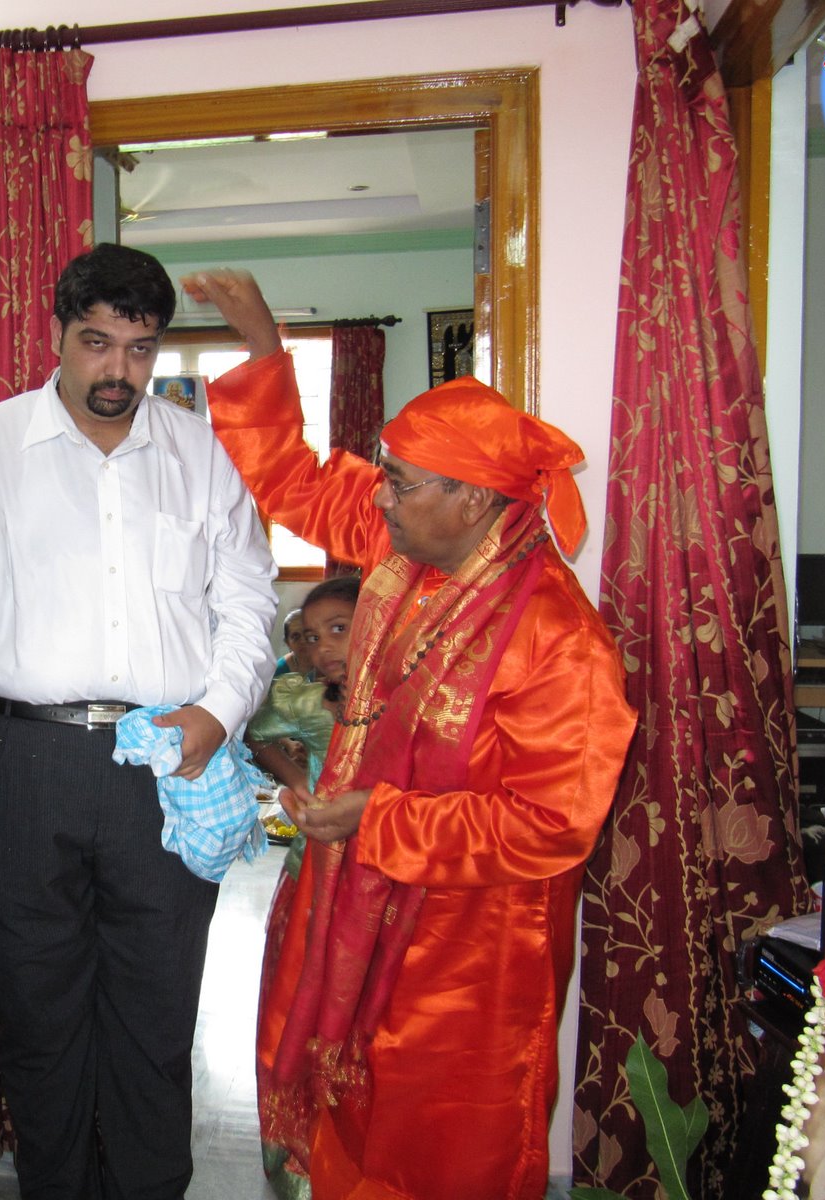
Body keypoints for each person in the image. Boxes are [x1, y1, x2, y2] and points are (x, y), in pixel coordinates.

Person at [186, 269, 637, 1200]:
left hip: (472, 949)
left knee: (443, 1139)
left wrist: (377, 822)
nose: (379, 500)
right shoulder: (407, 550)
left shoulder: (559, 638)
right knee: (350, 1114)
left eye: (399, 483)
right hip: (357, 894)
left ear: (474, 500)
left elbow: (551, 825)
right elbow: (293, 478)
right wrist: (266, 347)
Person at [0, 243, 277, 1199]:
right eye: (97, 343)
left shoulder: (198, 453)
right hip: (14, 763)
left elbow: (247, 600)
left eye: (140, 349)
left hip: (165, 759)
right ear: (57, 335)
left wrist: (220, 709)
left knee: (155, 1020)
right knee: (41, 1018)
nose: (118, 372)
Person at [245, 576, 358, 1197]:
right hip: (313, 875)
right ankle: (300, 1154)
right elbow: (253, 729)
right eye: (310, 637)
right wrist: (300, 783)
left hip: (390, 878)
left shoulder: (417, 698)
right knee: (301, 1009)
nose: (321, 649)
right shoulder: (307, 700)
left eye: (339, 628)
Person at [273, 607, 313, 677]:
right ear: (287, 643)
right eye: (296, 637)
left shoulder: (329, 663)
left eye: (307, 634)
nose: (303, 641)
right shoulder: (278, 672)